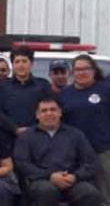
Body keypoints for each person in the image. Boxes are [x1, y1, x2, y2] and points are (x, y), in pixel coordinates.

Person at [14, 97, 101, 206]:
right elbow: (22, 163)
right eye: (44, 111)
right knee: (47, 191)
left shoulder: (75, 134)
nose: (49, 113)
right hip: (41, 180)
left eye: (53, 109)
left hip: (72, 180)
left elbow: (90, 162)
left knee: (89, 192)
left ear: (60, 113)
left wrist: (75, 176)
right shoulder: (26, 136)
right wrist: (49, 176)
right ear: (37, 115)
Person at [58, 54, 110, 204]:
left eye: (86, 69)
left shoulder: (106, 89)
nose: (82, 72)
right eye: (78, 69)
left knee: (105, 193)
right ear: (72, 72)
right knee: (82, 195)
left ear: (93, 70)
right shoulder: (64, 94)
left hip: (102, 150)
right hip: (75, 154)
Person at [0, 47, 52, 139]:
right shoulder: (2, 86)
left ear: (31, 63)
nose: (21, 65)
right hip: (8, 139)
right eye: (17, 61)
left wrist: (32, 129)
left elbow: (49, 111)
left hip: (37, 138)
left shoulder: (43, 86)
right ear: (12, 65)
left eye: (24, 61)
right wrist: (15, 129)